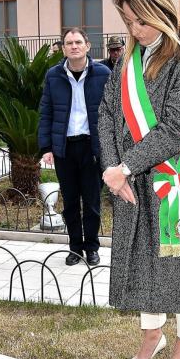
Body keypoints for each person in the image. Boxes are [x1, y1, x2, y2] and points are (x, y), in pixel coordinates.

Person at [98, 0, 180, 359]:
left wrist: (124, 166)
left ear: (162, 13)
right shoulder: (126, 62)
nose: (134, 30)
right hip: (128, 179)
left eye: (140, 21)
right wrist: (114, 171)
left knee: (176, 260)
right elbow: (107, 114)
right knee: (141, 257)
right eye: (128, 22)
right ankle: (152, 335)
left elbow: (177, 127)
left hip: (168, 178)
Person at [38, 28, 110, 266]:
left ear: (88, 46)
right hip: (65, 149)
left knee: (91, 202)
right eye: (69, 42)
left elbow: (112, 113)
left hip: (91, 147)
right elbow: (46, 112)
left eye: (78, 42)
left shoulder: (103, 73)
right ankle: (75, 248)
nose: (74, 46)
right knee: (69, 203)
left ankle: (91, 247)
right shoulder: (53, 75)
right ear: (63, 48)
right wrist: (46, 147)